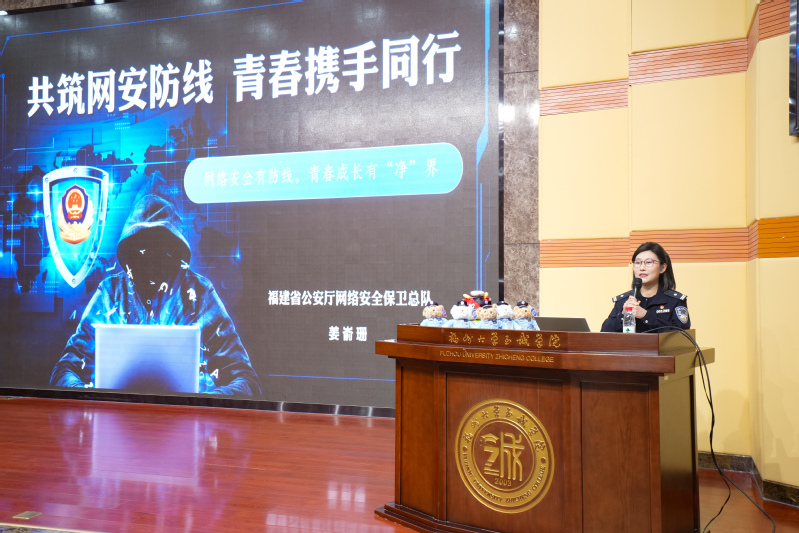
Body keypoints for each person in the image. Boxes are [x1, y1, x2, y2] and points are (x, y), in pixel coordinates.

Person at [50, 174, 261, 396]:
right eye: (142, 246)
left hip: (187, 417)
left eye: (160, 247)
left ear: (176, 249)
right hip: (115, 415)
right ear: (129, 249)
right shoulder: (110, 293)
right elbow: (65, 370)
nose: (150, 259)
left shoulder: (200, 294)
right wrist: (94, 401)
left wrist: (200, 404)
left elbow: (245, 380)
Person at [600, 242, 690, 333]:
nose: (642, 268)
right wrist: (623, 315)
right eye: (638, 263)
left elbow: (683, 334)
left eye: (649, 262)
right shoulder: (624, 301)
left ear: (662, 268)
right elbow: (604, 333)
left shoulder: (674, 301)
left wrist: (646, 316)